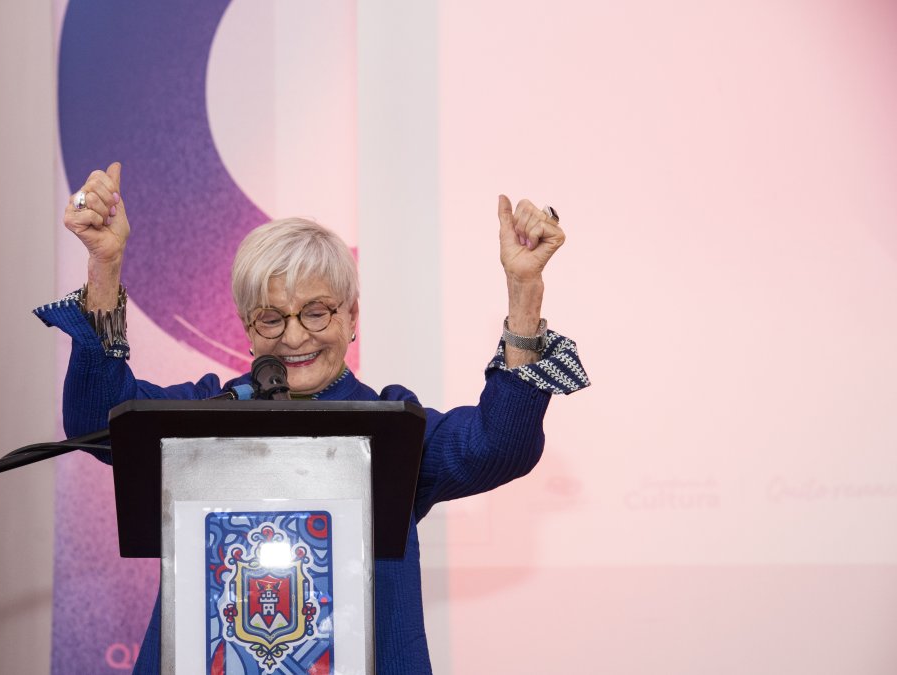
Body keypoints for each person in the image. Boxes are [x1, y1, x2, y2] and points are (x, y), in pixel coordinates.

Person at [34, 162, 589, 673]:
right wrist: (104, 265)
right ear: (248, 329)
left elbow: (499, 446)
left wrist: (524, 291)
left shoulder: (391, 425)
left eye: (317, 311)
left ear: (352, 316)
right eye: (271, 318)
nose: (295, 336)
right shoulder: (203, 412)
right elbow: (93, 421)